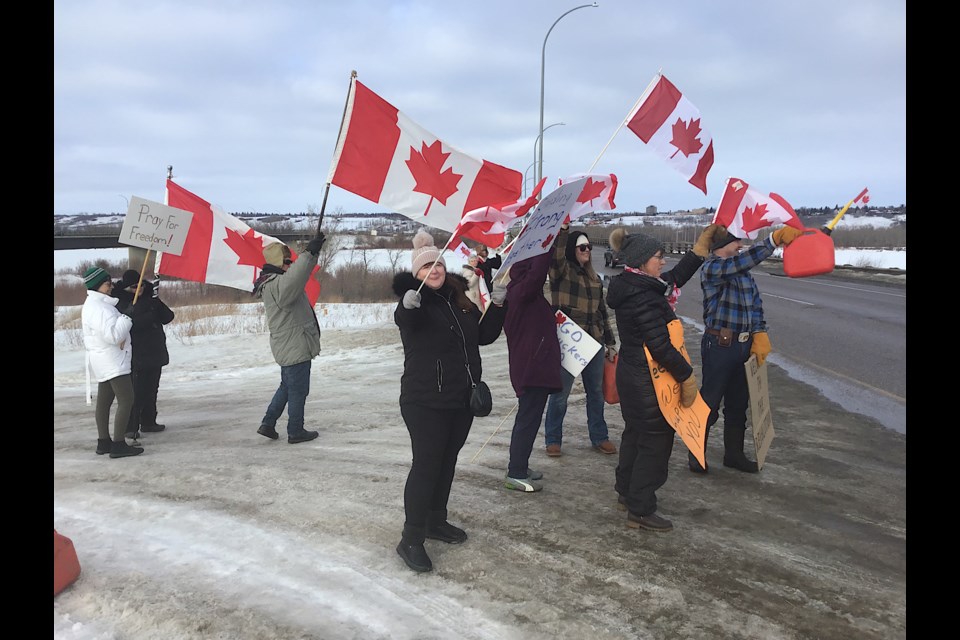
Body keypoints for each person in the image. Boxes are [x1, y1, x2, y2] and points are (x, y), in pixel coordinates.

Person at [391, 229, 506, 573]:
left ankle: (435, 521)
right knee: (427, 465)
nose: (434, 271)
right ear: (417, 274)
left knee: (447, 462)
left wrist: (499, 304)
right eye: (426, 268)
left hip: (460, 397)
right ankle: (410, 538)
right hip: (424, 400)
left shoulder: (460, 300)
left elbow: (483, 336)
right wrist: (406, 305)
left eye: (438, 264)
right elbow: (405, 320)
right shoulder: (416, 303)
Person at [605, 224, 723, 531]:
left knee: (635, 434)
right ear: (642, 261)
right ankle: (640, 509)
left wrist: (699, 250)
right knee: (655, 441)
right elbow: (659, 346)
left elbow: (673, 279)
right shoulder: (643, 296)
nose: (663, 262)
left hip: (634, 377)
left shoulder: (638, 284)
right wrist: (686, 376)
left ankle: (626, 493)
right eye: (659, 257)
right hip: (647, 381)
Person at [692, 225, 804, 474]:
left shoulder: (743, 274)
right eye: (735, 242)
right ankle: (695, 453)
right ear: (722, 245)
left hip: (743, 345)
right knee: (709, 402)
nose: (740, 245)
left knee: (737, 404)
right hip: (719, 345)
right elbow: (744, 260)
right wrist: (772, 241)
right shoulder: (713, 267)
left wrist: (759, 332)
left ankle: (734, 455)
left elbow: (755, 306)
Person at [544, 224, 618, 457]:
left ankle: (599, 436)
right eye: (581, 247)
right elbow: (555, 257)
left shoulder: (595, 278)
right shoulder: (562, 274)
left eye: (588, 246)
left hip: (593, 342)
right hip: (569, 343)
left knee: (595, 393)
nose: (586, 250)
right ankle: (553, 439)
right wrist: (563, 231)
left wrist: (610, 342)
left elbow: (601, 312)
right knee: (560, 395)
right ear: (571, 250)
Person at [253, 234, 325, 444]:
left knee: (287, 386)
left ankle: (268, 423)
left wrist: (310, 254)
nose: (290, 265)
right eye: (287, 262)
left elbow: (295, 276)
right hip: (295, 345)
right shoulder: (278, 284)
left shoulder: (273, 283)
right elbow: (296, 277)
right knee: (298, 390)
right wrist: (310, 254)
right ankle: (295, 431)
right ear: (277, 263)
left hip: (290, 344)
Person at [501, 248, 563, 492]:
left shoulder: (528, 294)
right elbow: (537, 274)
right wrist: (545, 245)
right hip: (530, 369)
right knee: (527, 420)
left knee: (530, 419)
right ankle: (515, 472)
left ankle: (520, 465)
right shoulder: (520, 292)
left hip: (534, 367)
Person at [80, 266, 144, 459]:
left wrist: (122, 317)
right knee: (127, 399)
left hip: (104, 359)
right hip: (113, 360)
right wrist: (127, 317)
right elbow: (114, 335)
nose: (110, 287)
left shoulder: (95, 304)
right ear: (97, 285)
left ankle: (104, 442)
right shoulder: (99, 308)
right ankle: (118, 444)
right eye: (107, 284)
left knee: (105, 401)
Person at [112, 270, 175, 440]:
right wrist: (147, 310)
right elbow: (133, 323)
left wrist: (154, 304)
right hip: (136, 354)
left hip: (155, 351)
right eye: (133, 287)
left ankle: (149, 421)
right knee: (136, 392)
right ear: (126, 288)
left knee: (152, 389)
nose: (138, 289)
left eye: (140, 285)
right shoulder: (121, 301)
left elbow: (168, 316)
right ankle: (130, 426)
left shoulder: (150, 299)